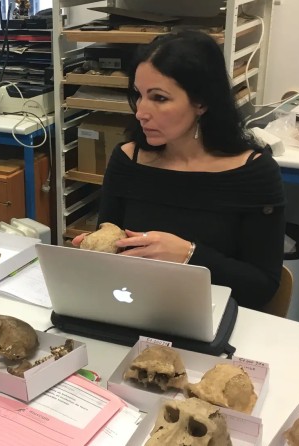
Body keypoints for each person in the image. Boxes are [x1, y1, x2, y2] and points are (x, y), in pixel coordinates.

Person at [73, 31, 286, 310]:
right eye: (139, 95)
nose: (141, 112)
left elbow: (261, 287)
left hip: (214, 316)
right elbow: (115, 245)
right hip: (137, 307)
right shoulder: (128, 160)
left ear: (201, 102)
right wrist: (96, 252)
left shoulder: (254, 173)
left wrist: (189, 255)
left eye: (159, 98)